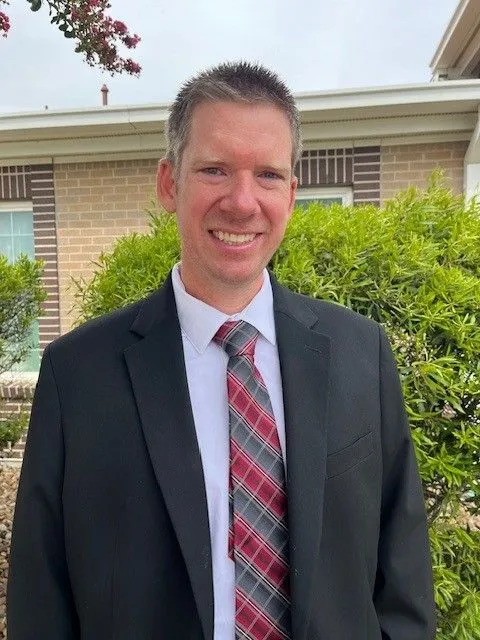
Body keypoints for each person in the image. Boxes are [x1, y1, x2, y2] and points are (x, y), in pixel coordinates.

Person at [8, 62, 436, 640]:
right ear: (169, 183)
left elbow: (403, 574)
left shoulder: (361, 354)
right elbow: (41, 596)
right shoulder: (78, 376)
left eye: (267, 175)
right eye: (214, 169)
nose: (242, 202)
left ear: (291, 194)